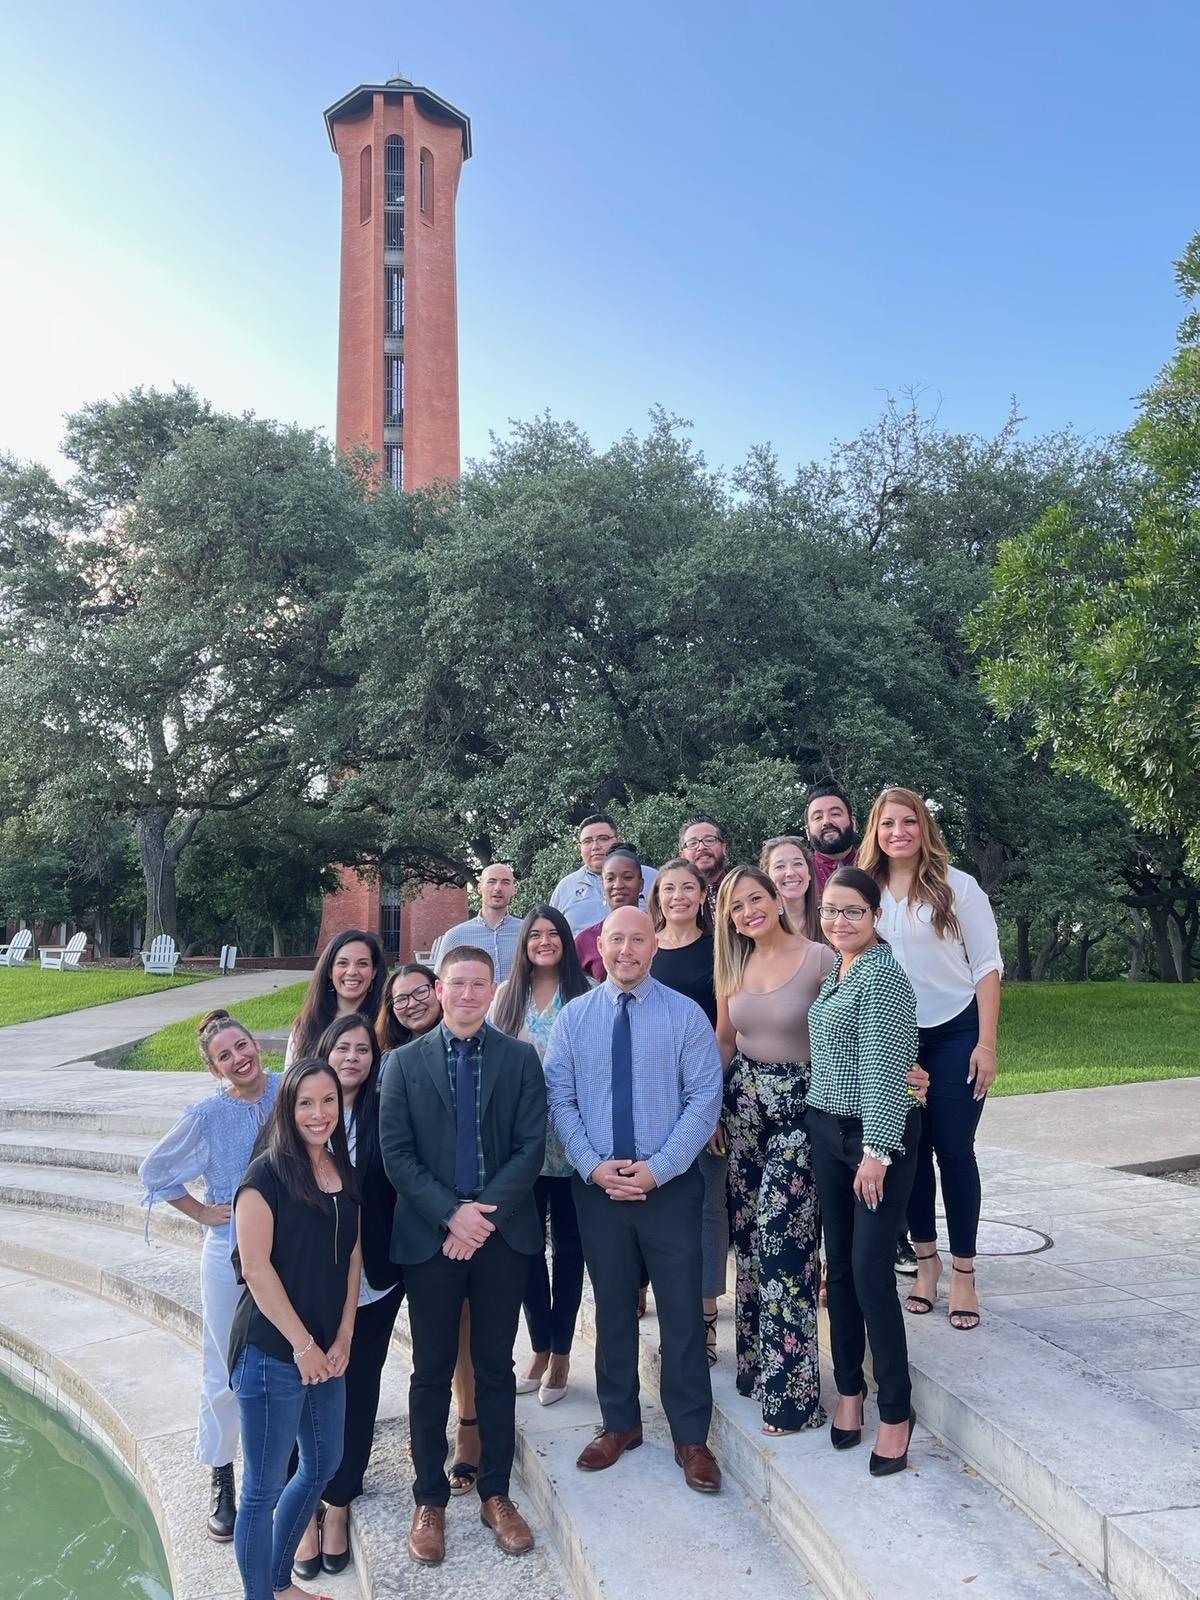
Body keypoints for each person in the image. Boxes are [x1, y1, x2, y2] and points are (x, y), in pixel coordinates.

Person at [545, 906, 724, 1495]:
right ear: (602, 946)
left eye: (638, 939)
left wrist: (658, 1170)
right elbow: (560, 1101)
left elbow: (704, 1100)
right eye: (616, 939)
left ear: (654, 946)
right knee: (614, 1308)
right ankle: (619, 1424)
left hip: (669, 1189)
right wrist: (595, 1168)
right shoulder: (574, 1019)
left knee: (680, 1314)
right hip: (598, 1190)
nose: (626, 950)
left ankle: (690, 1435)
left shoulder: (685, 1015)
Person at [379, 946, 547, 1566]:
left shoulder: (522, 1059)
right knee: (430, 1372)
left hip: (502, 1237)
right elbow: (396, 1155)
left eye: (480, 984)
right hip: (432, 1239)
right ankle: (430, 1500)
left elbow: (531, 1148)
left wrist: (479, 1218)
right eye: (458, 984)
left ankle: (497, 1493)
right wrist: (452, 1214)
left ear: (493, 987)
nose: (469, 994)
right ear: (440, 991)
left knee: (495, 1368)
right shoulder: (401, 1064)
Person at [860, 788, 1003, 1333]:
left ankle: (964, 1271)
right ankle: (926, 1263)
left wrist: (985, 1044)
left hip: (955, 1032)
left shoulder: (955, 887)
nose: (898, 832)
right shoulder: (864, 890)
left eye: (909, 822)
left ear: (924, 828)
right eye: (888, 823)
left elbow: (987, 965)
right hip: (894, 1037)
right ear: (875, 831)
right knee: (907, 1152)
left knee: (955, 1150)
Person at [138, 1009, 279, 1543]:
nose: (239, 1058)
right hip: (229, 1251)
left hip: (293, 1247)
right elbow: (154, 1170)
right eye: (225, 1056)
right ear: (215, 1068)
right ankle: (223, 1474)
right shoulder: (206, 1115)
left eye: (242, 1045)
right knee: (224, 1363)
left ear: (255, 1044)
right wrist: (200, 1212)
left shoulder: (291, 1090)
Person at [228, 1058, 362, 1599]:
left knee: (325, 1460)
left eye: (327, 1101)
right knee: (261, 1489)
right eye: (305, 1102)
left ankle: (280, 1584)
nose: (318, 1113)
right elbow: (256, 1268)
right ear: (288, 1107)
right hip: (270, 1352)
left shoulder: (340, 1169)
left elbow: (352, 1254)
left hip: (327, 1350)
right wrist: (303, 1345)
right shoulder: (265, 1175)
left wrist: (344, 1336)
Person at [806, 867, 922, 1478]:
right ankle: (849, 1390)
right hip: (828, 1130)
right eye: (830, 910)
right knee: (842, 1268)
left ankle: (897, 1410)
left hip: (873, 1138)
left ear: (875, 916)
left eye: (852, 911)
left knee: (872, 1272)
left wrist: (877, 1150)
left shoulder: (882, 976)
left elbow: (885, 1068)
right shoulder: (839, 970)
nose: (839, 920)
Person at [712, 866, 833, 1434]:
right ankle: (757, 1368)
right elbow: (724, 1039)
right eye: (736, 908)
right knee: (750, 1244)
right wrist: (712, 1109)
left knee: (784, 1243)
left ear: (777, 898)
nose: (748, 913)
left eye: (755, 899)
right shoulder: (733, 963)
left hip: (800, 1108)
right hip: (742, 1107)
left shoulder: (819, 959)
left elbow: (849, 1031)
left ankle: (794, 1400)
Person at [291, 1015, 404, 1582]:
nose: (353, 1057)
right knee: (305, 1393)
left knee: (359, 1391)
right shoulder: (302, 1114)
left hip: (376, 1280)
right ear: (325, 1053)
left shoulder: (387, 1111)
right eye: (343, 1048)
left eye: (363, 1048)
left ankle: (339, 1504)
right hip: (311, 1282)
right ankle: (303, 1509)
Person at [490, 905, 592, 1404]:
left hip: (574, 1147)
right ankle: (540, 1344)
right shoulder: (506, 1000)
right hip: (522, 1148)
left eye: (554, 933)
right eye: (536, 935)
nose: (545, 942)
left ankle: (565, 1351)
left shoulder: (586, 994)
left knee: (570, 1253)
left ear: (565, 941)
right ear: (524, 944)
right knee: (526, 1249)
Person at [647, 858, 727, 1365]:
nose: (677, 896)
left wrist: (711, 1104)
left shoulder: (721, 948)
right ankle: (671, 1313)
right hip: (652, 1100)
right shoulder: (644, 948)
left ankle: (706, 1318)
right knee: (661, 1209)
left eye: (687, 888)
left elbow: (726, 1027)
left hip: (707, 1094)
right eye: (668, 888)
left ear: (703, 895)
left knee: (708, 1204)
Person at [287, 928, 386, 1064]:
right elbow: (291, 1080)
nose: (352, 972)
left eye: (362, 964)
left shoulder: (387, 1024)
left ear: (374, 972)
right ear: (329, 970)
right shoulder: (305, 1027)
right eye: (342, 963)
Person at [551, 814, 658, 933]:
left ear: (619, 841)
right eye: (587, 841)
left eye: (603, 838)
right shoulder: (565, 888)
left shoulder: (653, 879)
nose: (595, 846)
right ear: (579, 848)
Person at [429, 863, 523, 983]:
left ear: (514, 889)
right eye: (491, 881)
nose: (498, 888)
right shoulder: (455, 937)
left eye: (505, 882)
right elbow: (440, 982)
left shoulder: (527, 932)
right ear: (479, 888)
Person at [575, 845, 645, 980]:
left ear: (641, 884)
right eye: (610, 879)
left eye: (628, 877)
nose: (618, 885)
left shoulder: (658, 932)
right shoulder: (585, 940)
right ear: (603, 884)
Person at [760, 835, 821, 941]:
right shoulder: (760, 925)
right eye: (780, 866)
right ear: (767, 877)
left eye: (797, 864)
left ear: (809, 873)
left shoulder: (829, 918)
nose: (790, 873)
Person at [805, 784, 861, 895]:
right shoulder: (802, 876)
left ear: (853, 823)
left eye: (835, 814)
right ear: (808, 831)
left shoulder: (876, 865)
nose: (826, 822)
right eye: (818, 817)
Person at [377, 962, 441, 1055]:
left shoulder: (463, 1043)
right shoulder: (389, 1058)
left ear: (439, 990)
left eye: (421, 992)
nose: (412, 1004)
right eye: (401, 999)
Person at [679, 816, 729, 913]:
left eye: (709, 840)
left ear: (724, 849)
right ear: (682, 855)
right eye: (692, 843)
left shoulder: (740, 890)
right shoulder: (675, 902)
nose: (701, 847)